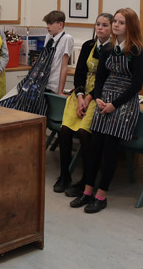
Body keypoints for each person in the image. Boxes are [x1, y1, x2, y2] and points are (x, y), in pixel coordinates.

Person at [74, 7, 143, 214]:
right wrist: (98, 98)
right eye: (115, 21)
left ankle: (101, 195)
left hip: (123, 103)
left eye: (121, 22)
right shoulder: (108, 49)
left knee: (110, 148)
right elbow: (100, 78)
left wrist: (114, 104)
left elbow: (136, 85)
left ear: (130, 26)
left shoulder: (137, 51)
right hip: (104, 99)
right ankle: (87, 191)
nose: (115, 25)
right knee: (94, 146)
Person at [53, 12, 113, 195]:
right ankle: (64, 175)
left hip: (97, 96)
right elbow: (79, 72)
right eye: (98, 24)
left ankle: (87, 180)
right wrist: (80, 96)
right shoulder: (88, 45)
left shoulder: (112, 50)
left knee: (84, 133)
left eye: (104, 25)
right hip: (80, 93)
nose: (100, 28)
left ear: (111, 30)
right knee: (64, 131)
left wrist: (89, 98)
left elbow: (106, 79)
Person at [1, 10, 74, 116]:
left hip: (50, 85)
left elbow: (64, 67)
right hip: (38, 81)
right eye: (47, 24)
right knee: (14, 97)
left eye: (50, 23)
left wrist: (60, 92)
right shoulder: (49, 37)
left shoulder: (67, 39)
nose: (47, 26)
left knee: (29, 106)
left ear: (60, 24)